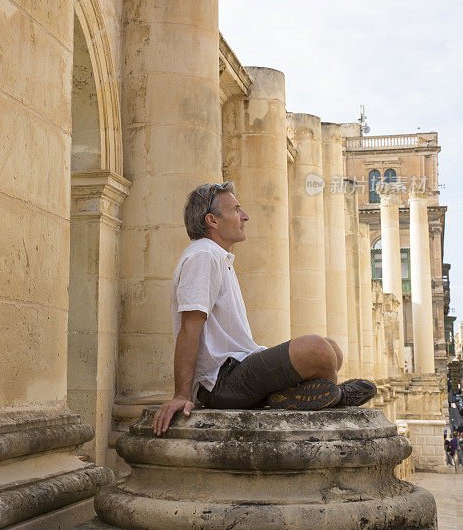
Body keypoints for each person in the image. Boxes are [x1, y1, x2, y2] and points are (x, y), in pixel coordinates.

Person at [153, 182, 377, 436]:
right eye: (236, 210)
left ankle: (300, 395)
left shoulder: (218, 256)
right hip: (220, 382)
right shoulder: (204, 255)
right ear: (212, 220)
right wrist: (181, 394)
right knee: (320, 351)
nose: (245, 216)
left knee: (332, 349)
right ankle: (335, 397)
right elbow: (189, 328)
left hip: (239, 366)